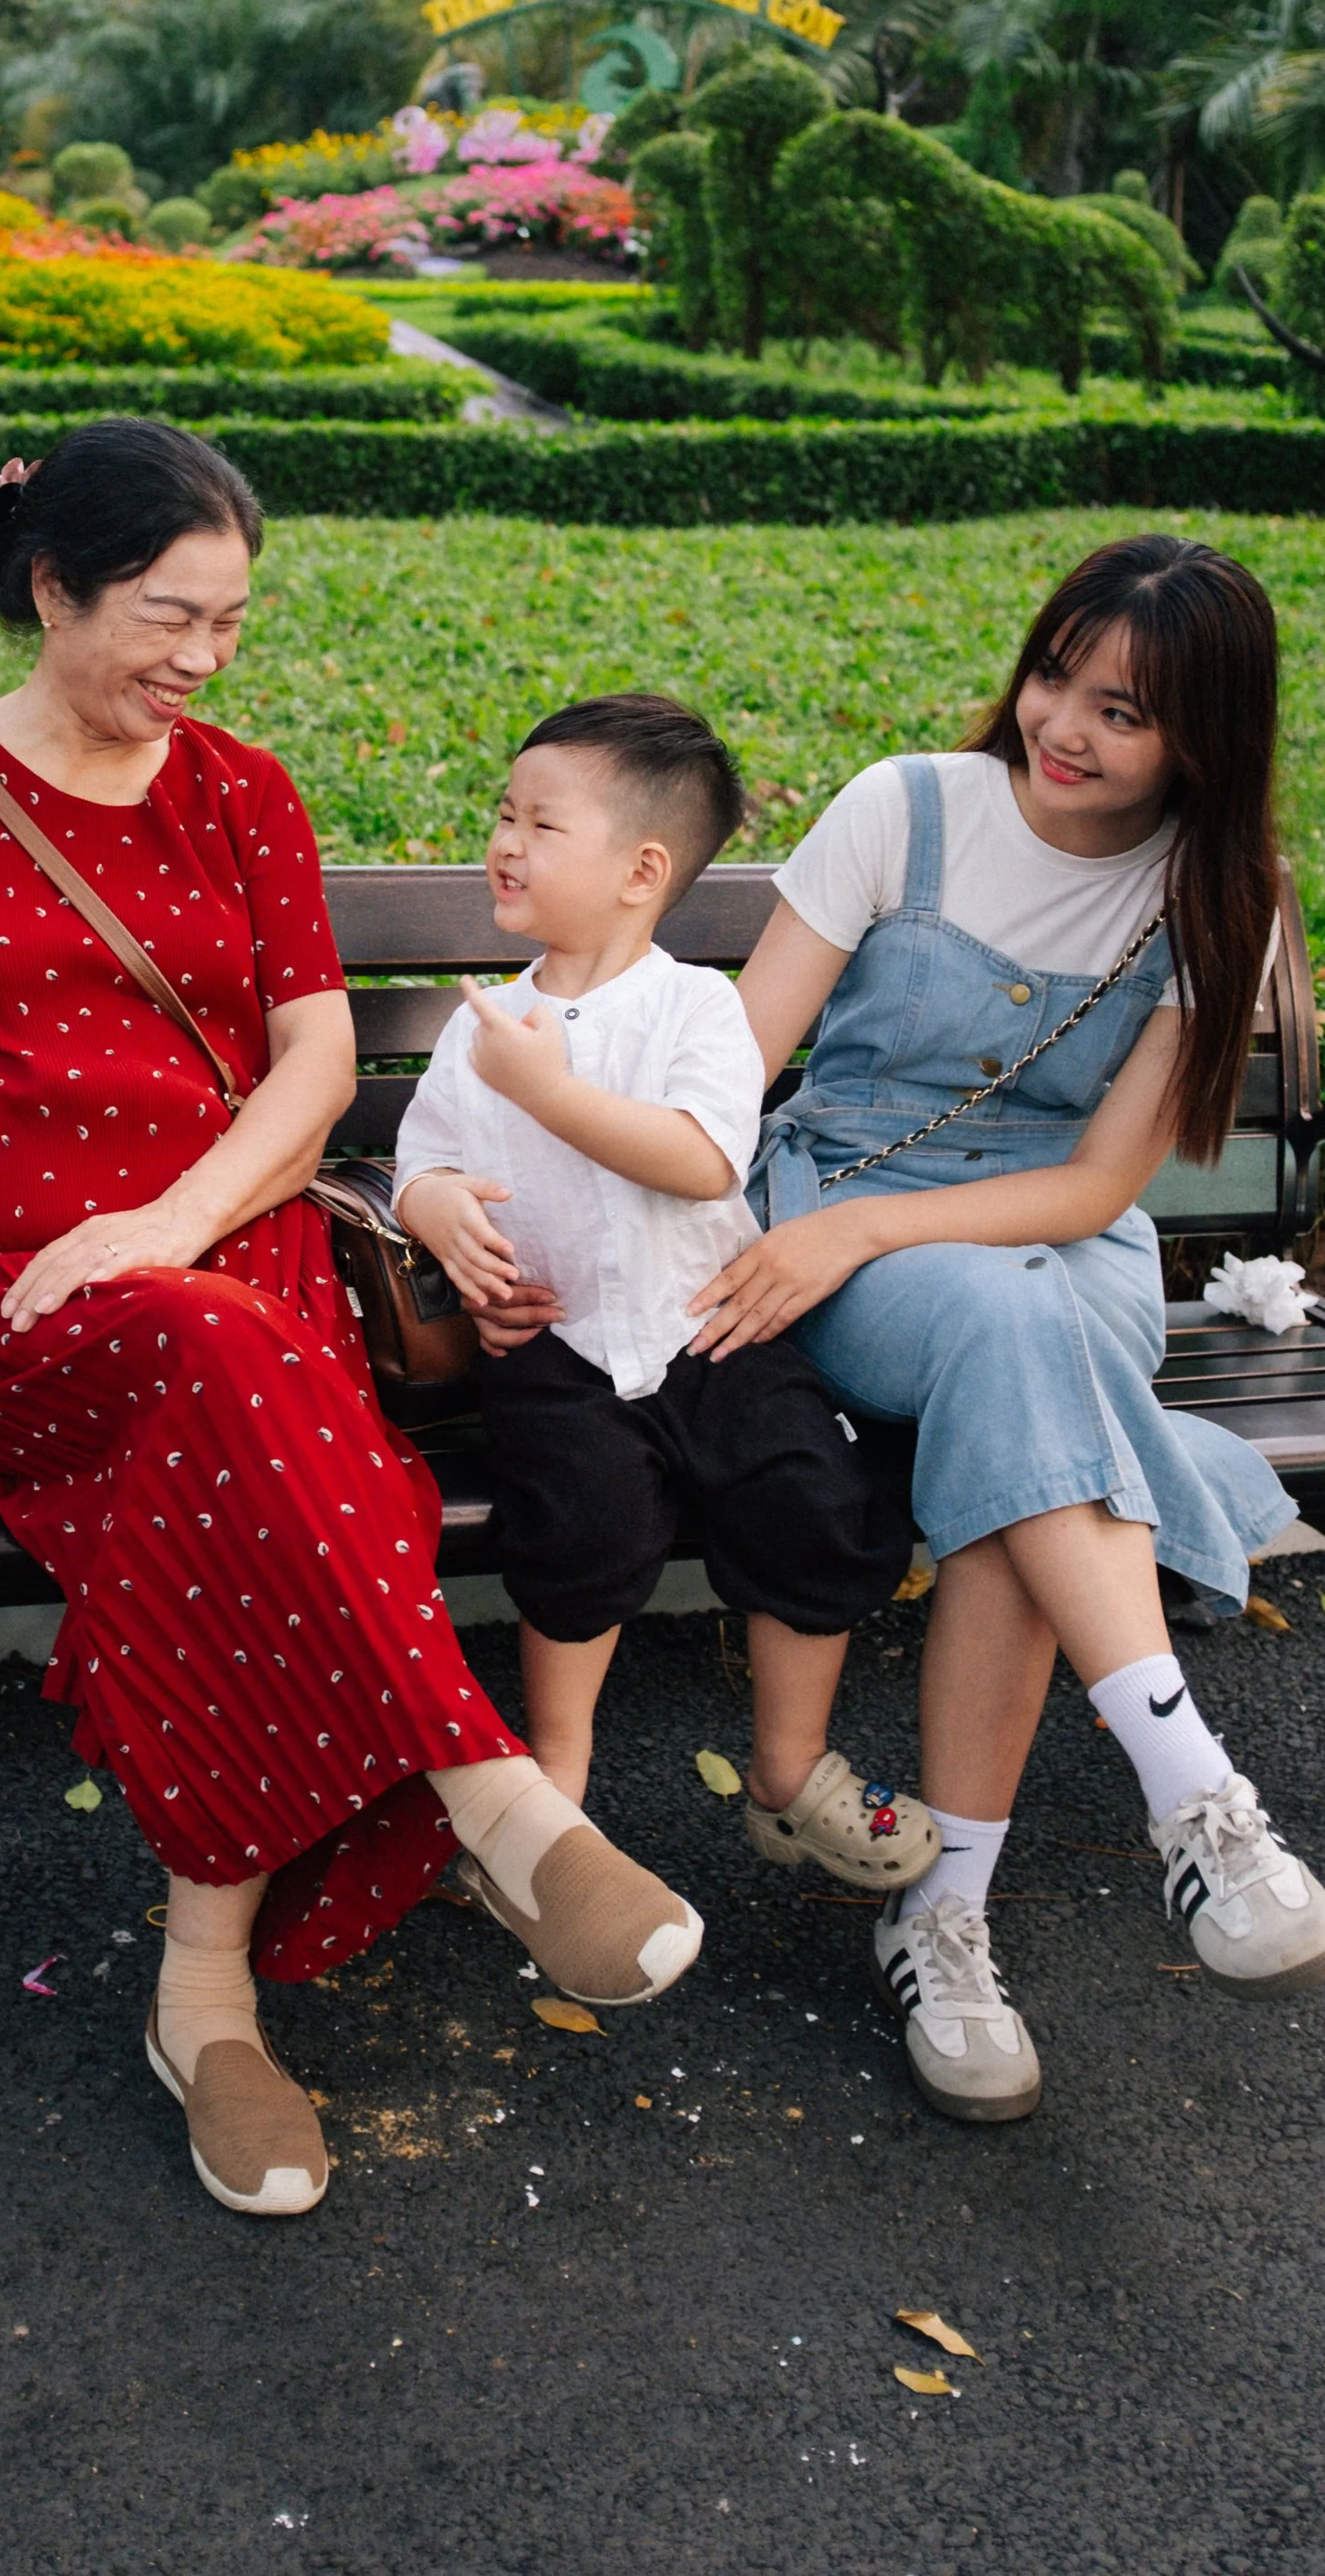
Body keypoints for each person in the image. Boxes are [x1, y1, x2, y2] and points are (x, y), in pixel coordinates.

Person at [0, 420, 700, 2222]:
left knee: (232, 1411)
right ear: (51, 584)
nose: (203, 657)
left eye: (230, 621)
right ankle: (497, 1808)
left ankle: (205, 2000)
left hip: (225, 1270)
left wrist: (168, 1223)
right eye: (169, 614)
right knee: (262, 1408)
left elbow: (314, 1057)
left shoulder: (239, 790)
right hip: (13, 1318)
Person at [694, 534, 1325, 2127]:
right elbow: (735, 1064)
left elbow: (1101, 1180)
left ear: (1205, 733)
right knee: (1015, 1361)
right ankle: (1197, 1798)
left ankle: (947, 1920)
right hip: (840, 1212)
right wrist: (821, 1219)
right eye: (1056, 673)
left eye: (1124, 709)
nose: (1065, 724)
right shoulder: (905, 807)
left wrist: (878, 1222)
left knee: (1017, 1436)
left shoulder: (1218, 892)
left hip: (1056, 1240)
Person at [392, 693, 937, 1893]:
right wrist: (432, 1210)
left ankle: (789, 1773)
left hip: (713, 1326)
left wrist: (547, 1091)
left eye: (542, 822)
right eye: (502, 812)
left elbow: (698, 1156)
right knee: (576, 1522)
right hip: (557, 1340)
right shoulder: (484, 1024)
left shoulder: (695, 1007)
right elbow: (422, 1161)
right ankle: (559, 1783)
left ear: (643, 869)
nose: (505, 840)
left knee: (814, 1496)